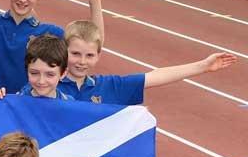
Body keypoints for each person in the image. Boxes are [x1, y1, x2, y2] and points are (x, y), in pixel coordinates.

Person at [61, 19, 237, 105]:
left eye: (89, 56)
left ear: (98, 56)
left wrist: (203, 66)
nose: (82, 61)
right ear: (63, 51)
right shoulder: (45, 85)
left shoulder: (109, 86)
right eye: (76, 54)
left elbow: (154, 76)